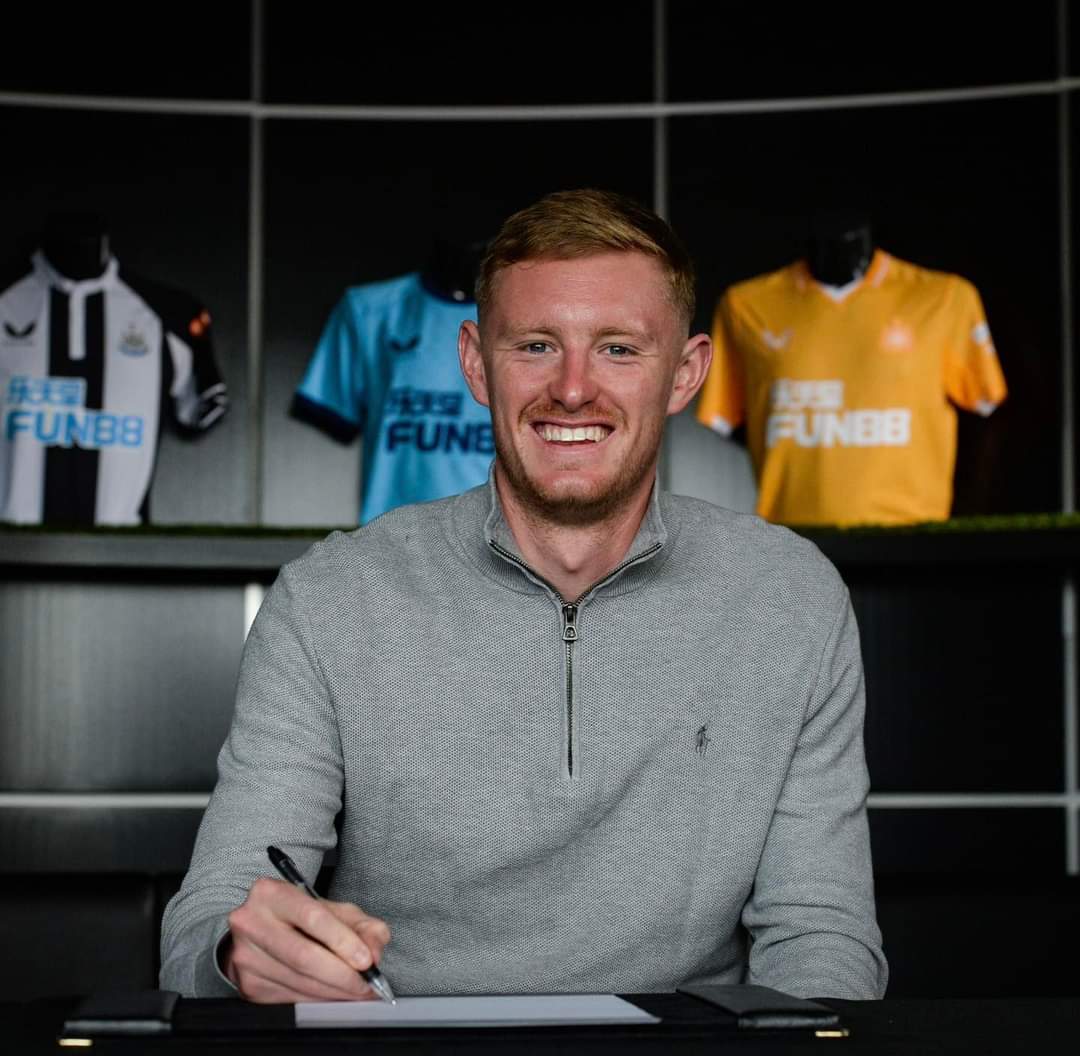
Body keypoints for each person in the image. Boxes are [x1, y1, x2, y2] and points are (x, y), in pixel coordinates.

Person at [160, 189, 888, 1003]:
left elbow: (821, 933)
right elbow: (205, 924)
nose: (572, 389)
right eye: (537, 345)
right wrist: (238, 953)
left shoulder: (791, 596)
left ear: (685, 374)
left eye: (618, 349)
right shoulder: (328, 599)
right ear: (476, 363)